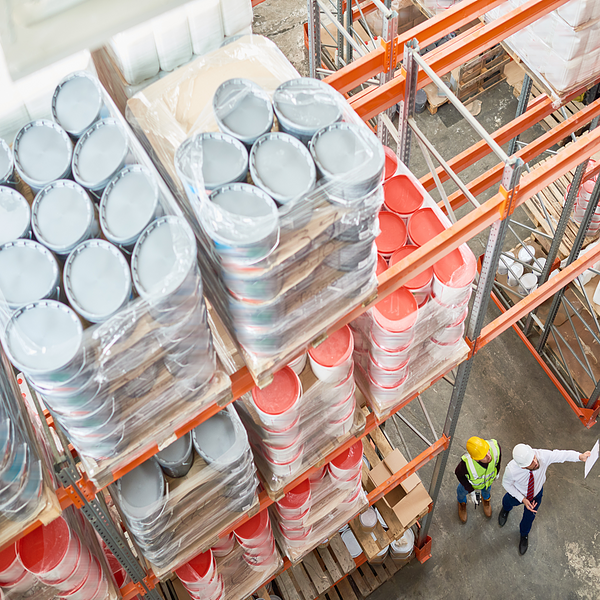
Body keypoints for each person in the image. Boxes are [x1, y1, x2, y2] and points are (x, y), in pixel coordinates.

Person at [499, 443, 591, 555]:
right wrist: (522, 499)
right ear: (522, 467)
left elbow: (561, 455)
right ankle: (505, 510)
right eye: (531, 463)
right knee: (508, 501)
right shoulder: (511, 470)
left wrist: (579, 456)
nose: (536, 462)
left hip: (535, 495)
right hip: (518, 494)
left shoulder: (541, 455)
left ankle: (524, 535)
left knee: (529, 517)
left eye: (533, 458)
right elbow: (506, 484)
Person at [455, 436, 501, 523]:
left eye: (487, 450)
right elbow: (458, 474)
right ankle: (462, 503)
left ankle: (486, 499)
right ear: (475, 459)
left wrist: (497, 470)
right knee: (461, 493)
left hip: (488, 481)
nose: (488, 456)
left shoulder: (494, 447)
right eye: (483, 456)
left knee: (487, 490)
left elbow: (498, 458)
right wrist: (470, 490)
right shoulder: (466, 464)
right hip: (471, 484)